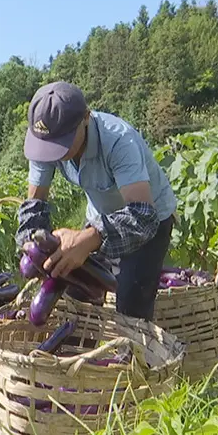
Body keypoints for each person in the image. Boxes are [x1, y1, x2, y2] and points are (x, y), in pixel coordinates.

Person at [15, 81, 177, 322]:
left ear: (86, 118)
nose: (52, 153)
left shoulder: (119, 141)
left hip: (149, 219)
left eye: (61, 143)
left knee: (131, 300)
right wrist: (34, 247)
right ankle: (81, 355)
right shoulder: (46, 139)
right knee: (77, 291)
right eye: (47, 146)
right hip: (100, 216)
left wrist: (88, 238)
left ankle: (136, 357)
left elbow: (143, 217)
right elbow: (35, 204)